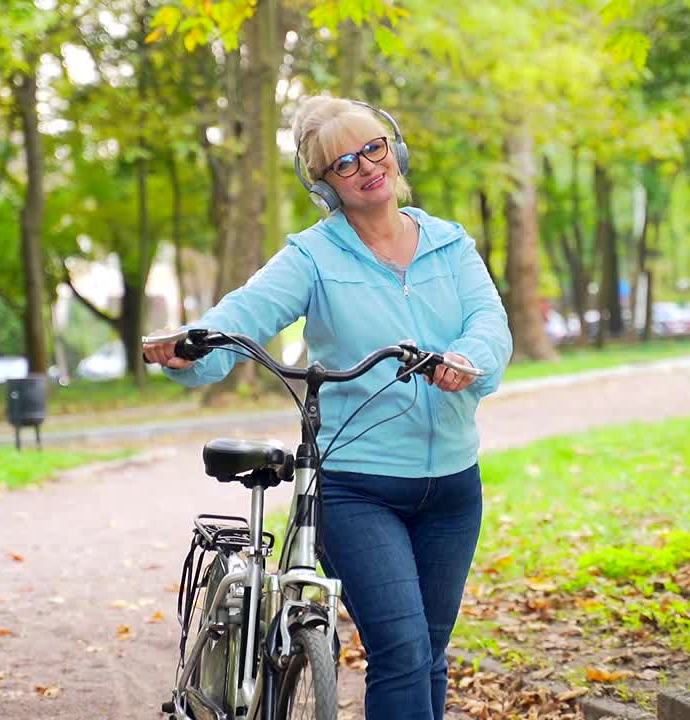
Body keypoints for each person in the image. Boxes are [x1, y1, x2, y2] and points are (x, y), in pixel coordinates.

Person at [141, 95, 512, 720]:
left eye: (374, 147)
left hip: (453, 484)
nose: (368, 165)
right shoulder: (313, 255)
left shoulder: (450, 244)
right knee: (402, 649)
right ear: (324, 184)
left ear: (394, 148)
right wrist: (194, 348)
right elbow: (244, 313)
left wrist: (466, 358)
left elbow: (489, 323)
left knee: (432, 652)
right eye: (344, 162)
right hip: (359, 488)